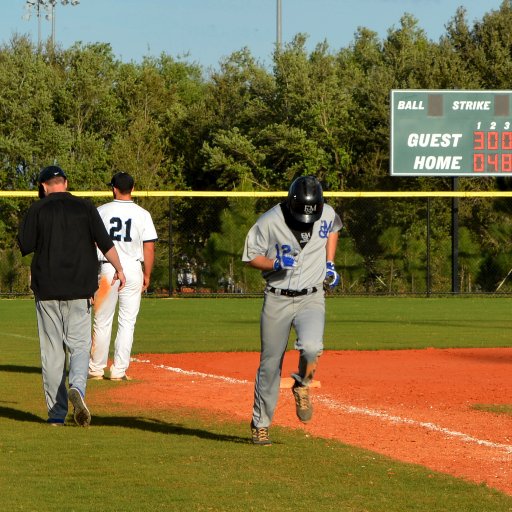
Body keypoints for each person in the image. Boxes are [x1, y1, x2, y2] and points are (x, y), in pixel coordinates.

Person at [17, 165, 126, 427]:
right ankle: (77, 386)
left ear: (44, 187)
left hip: (47, 290)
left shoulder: (38, 209)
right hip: (80, 289)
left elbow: (25, 244)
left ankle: (56, 414)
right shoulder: (86, 207)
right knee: (79, 347)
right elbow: (105, 243)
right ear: (64, 182)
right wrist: (120, 269)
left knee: (53, 353)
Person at [242, 175, 342, 445]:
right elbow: (251, 256)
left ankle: (303, 385)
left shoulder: (326, 213)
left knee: (311, 347)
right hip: (277, 298)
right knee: (270, 365)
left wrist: (329, 263)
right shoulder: (270, 220)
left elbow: (333, 227)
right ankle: (260, 424)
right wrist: (274, 263)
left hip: (312, 296)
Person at [88, 172, 158, 381]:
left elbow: (91, 245)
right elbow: (149, 246)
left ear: (113, 189)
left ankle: (96, 369)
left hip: (108, 268)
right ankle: (118, 370)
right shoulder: (143, 214)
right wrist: (147, 274)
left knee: (102, 321)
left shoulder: (101, 211)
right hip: (133, 268)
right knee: (127, 322)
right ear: (133, 188)